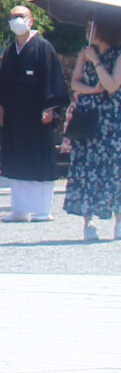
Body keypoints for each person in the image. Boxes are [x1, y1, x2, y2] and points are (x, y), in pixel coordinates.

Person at [0, 3, 65, 223]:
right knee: (18, 160)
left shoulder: (43, 47)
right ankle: (20, 209)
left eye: (21, 16)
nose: (17, 20)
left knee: (39, 160)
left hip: (37, 115)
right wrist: (2, 108)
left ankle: (43, 210)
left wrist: (50, 107)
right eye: (13, 16)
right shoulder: (9, 50)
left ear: (31, 20)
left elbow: (53, 78)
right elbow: (2, 83)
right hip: (15, 115)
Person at [64, 14, 121, 242]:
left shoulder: (118, 55)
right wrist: (91, 91)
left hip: (112, 118)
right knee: (88, 168)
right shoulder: (84, 53)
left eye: (92, 27)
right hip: (89, 117)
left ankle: (118, 220)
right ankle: (89, 222)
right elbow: (75, 82)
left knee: (114, 169)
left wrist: (96, 62)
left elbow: (112, 86)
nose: (88, 31)